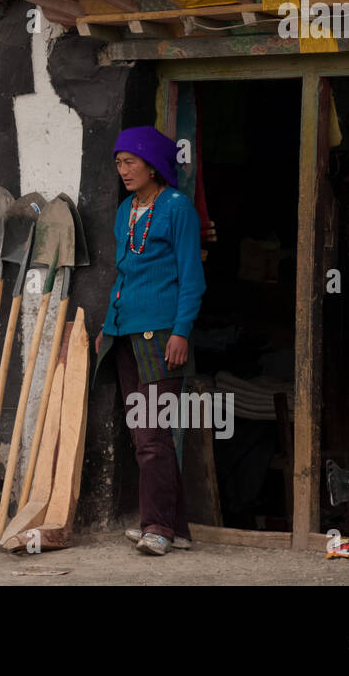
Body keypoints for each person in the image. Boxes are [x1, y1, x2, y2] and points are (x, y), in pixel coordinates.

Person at [94, 125, 206, 556]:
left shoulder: (178, 209)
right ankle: (170, 526)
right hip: (124, 334)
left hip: (161, 336)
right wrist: (108, 323)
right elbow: (122, 275)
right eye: (119, 163)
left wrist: (181, 331)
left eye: (131, 162)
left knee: (153, 433)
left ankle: (156, 526)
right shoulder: (127, 210)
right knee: (142, 432)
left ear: (154, 166)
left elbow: (192, 279)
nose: (123, 170)